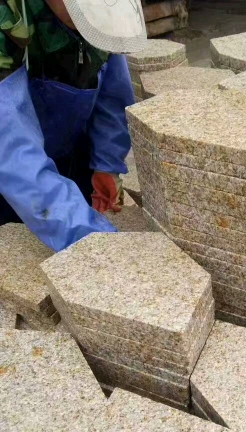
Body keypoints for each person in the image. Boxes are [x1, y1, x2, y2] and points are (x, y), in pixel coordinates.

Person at [0, 0, 147, 251]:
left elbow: (112, 93)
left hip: (64, 152)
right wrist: (92, 240)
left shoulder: (101, 17)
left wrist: (107, 164)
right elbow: (13, 152)